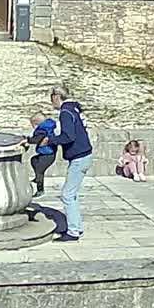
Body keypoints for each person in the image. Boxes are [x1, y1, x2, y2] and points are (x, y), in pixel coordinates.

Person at [51, 85, 93, 241]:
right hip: (85, 155)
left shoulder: (65, 113)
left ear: (57, 96)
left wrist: (52, 140)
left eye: (51, 97)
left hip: (79, 158)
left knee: (67, 195)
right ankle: (77, 226)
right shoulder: (74, 109)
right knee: (72, 194)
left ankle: (73, 231)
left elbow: (68, 136)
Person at [25, 112, 59, 194]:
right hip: (48, 153)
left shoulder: (42, 130)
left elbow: (36, 139)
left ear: (36, 123)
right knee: (34, 160)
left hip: (48, 154)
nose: (33, 127)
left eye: (32, 125)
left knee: (39, 171)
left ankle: (40, 190)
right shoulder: (47, 127)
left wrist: (27, 140)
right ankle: (37, 178)